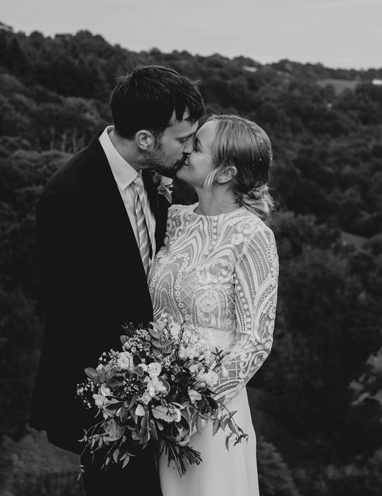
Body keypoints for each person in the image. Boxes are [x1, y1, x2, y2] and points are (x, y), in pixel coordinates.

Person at [30, 65, 205, 496]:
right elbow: (70, 313)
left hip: (159, 394)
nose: (188, 151)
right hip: (109, 402)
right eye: (183, 140)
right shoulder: (69, 197)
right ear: (145, 139)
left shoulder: (153, 174)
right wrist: (133, 394)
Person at [148, 114, 279, 496]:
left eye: (198, 145)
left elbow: (255, 341)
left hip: (209, 416)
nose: (185, 148)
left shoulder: (252, 236)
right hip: (153, 404)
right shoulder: (174, 219)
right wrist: (152, 397)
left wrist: (192, 407)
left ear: (225, 173)